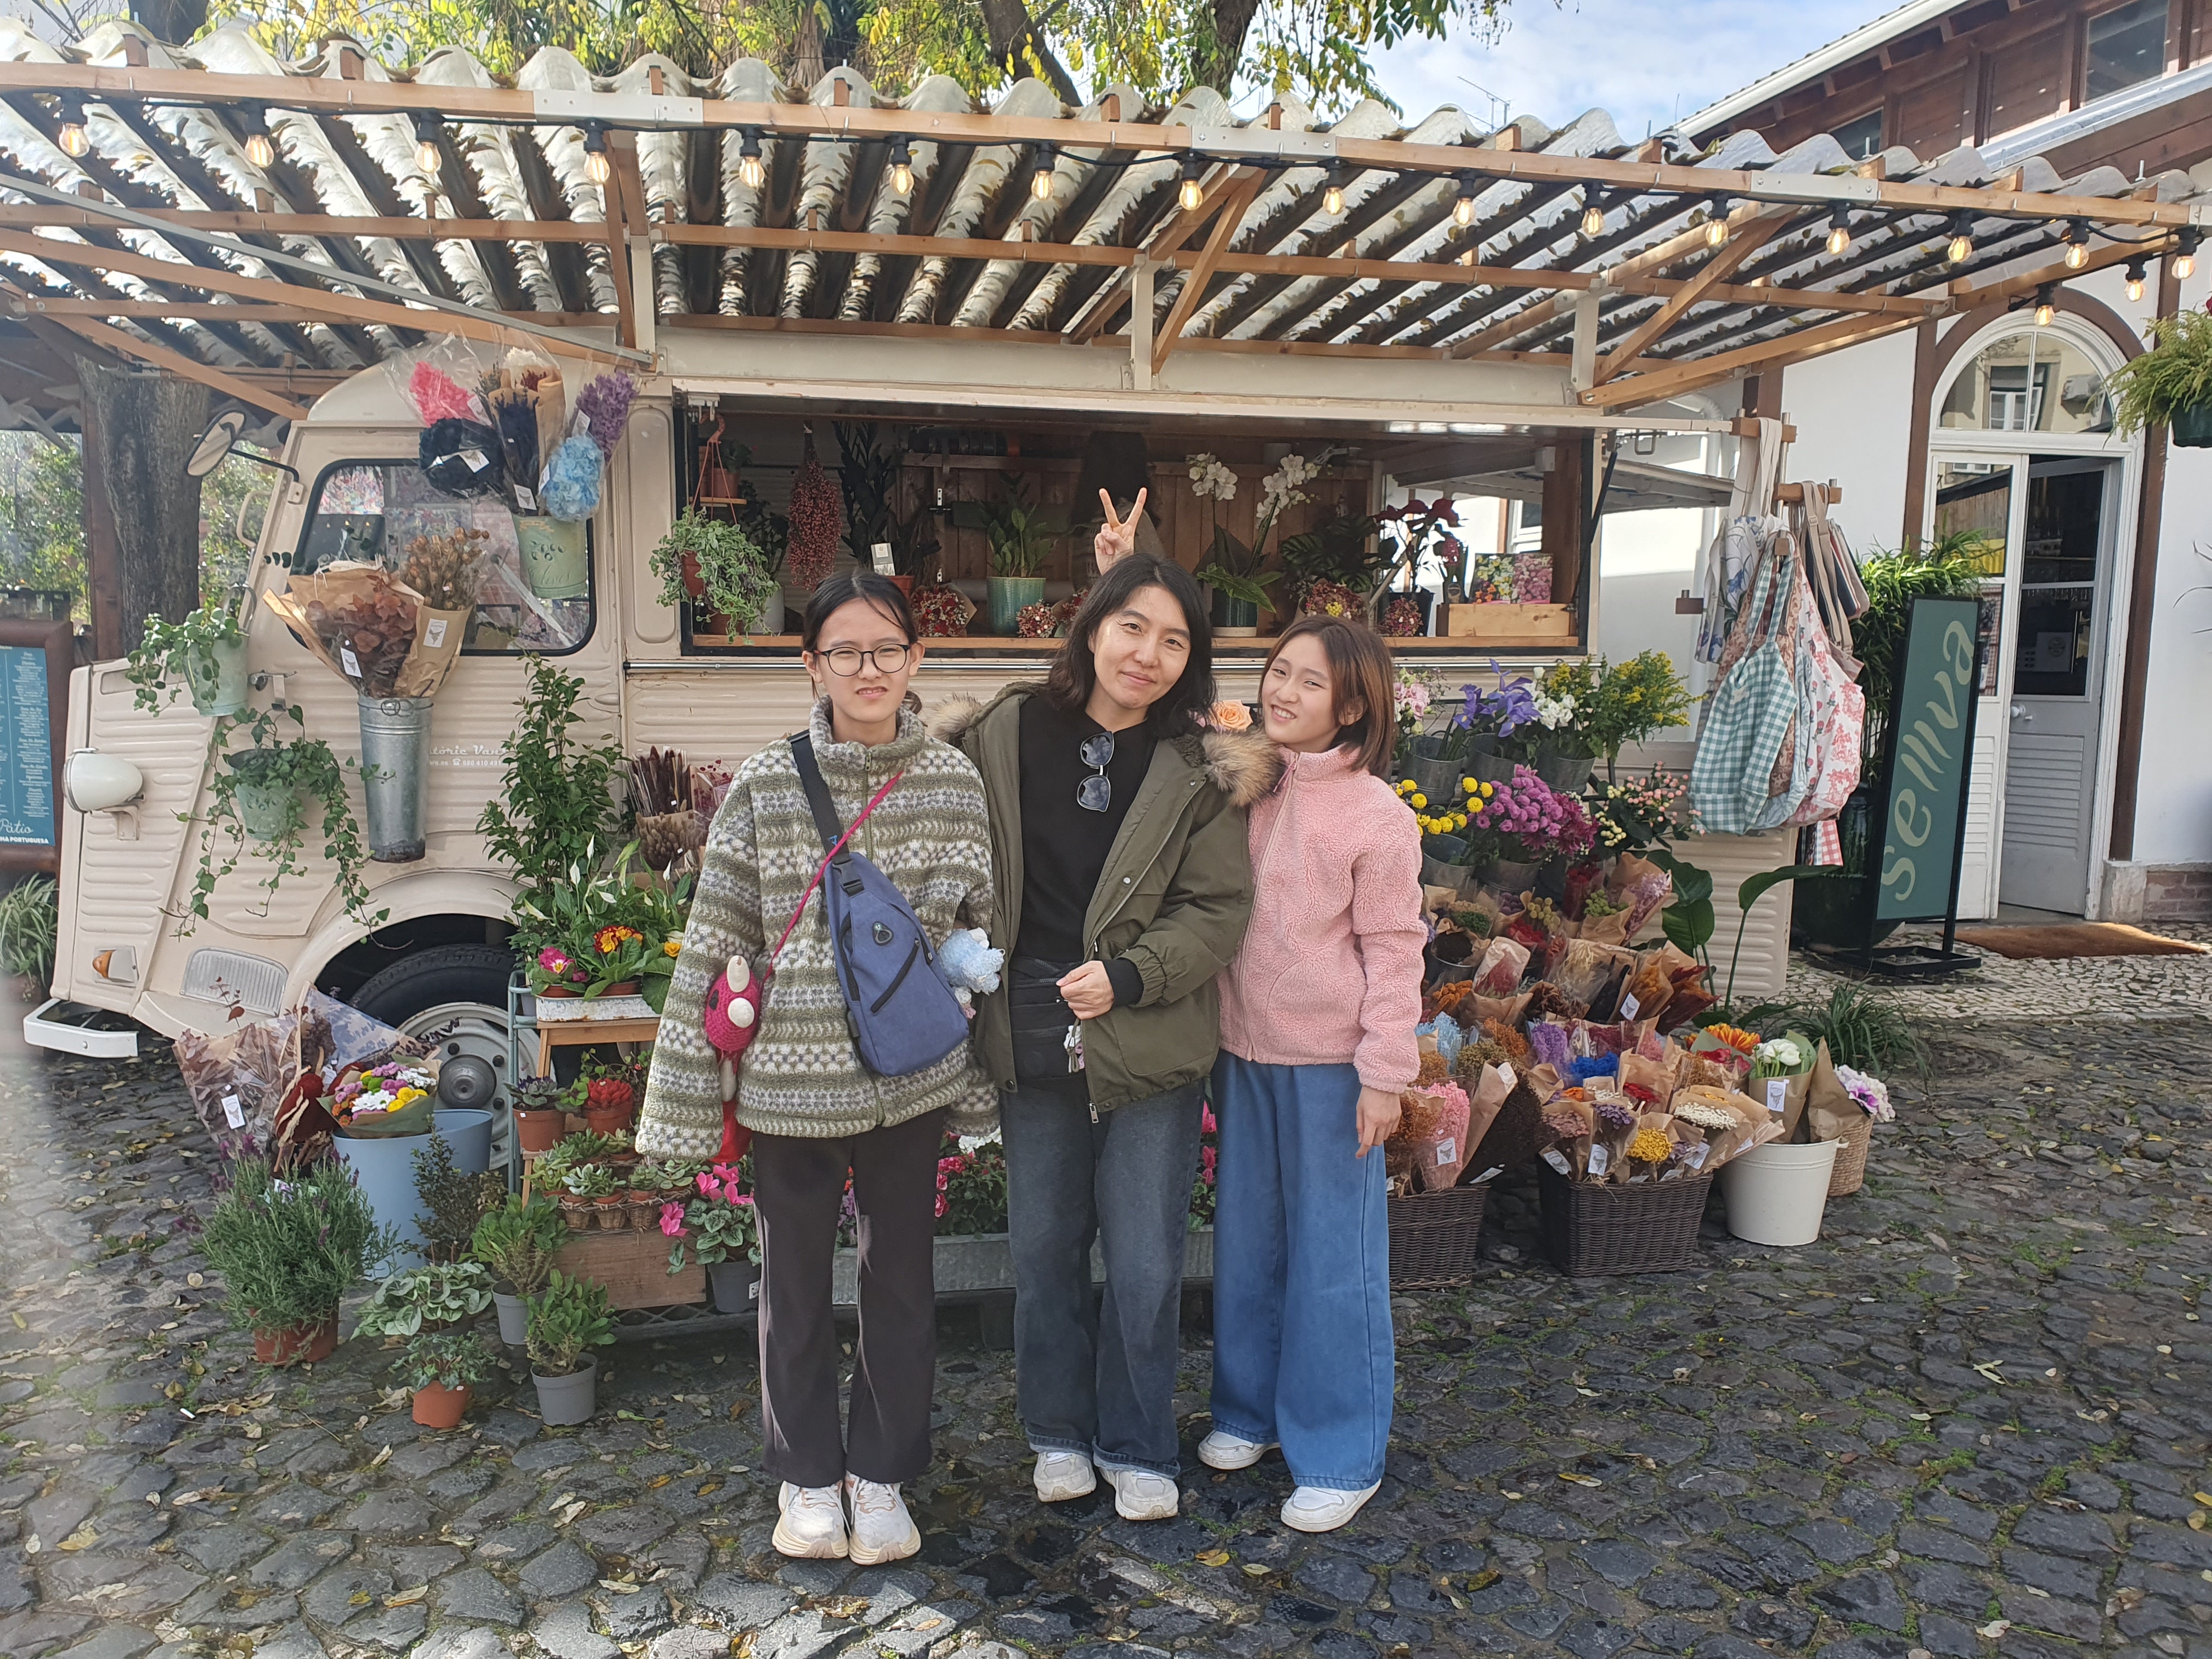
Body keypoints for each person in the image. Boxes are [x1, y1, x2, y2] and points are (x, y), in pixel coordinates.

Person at [635, 573, 995, 1566]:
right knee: (790, 1285)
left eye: (887, 650)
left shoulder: (952, 783)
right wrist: (684, 1097)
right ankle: (805, 1477)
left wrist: (981, 1081)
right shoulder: (765, 784)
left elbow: (977, 934)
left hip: (909, 1080)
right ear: (811, 664)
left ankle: (881, 1475)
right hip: (789, 1086)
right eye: (845, 651)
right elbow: (719, 937)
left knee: (901, 1282)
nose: (868, 670)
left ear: (917, 659)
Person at [934, 555, 1277, 1521]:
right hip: (1031, 1024)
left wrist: (1132, 974)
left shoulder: (1197, 766)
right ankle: (1056, 1433)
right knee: (1044, 1249)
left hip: (1151, 1033)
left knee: (1146, 1261)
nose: (1148, 655)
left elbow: (1218, 908)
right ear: (1092, 628)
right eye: (1133, 627)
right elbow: (949, 853)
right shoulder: (1004, 732)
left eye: (1174, 641)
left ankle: (1136, 1444)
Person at [1202, 615, 1426, 1533]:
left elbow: (1396, 947)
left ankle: (1341, 1451)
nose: (1282, 692)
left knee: (1335, 1260)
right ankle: (1248, 1412)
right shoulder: (1244, 783)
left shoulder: (1377, 816)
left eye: (1308, 681)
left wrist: (1385, 1073)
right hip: (1242, 1054)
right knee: (1248, 1243)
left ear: (1353, 705)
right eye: (1277, 671)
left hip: (1333, 1067)